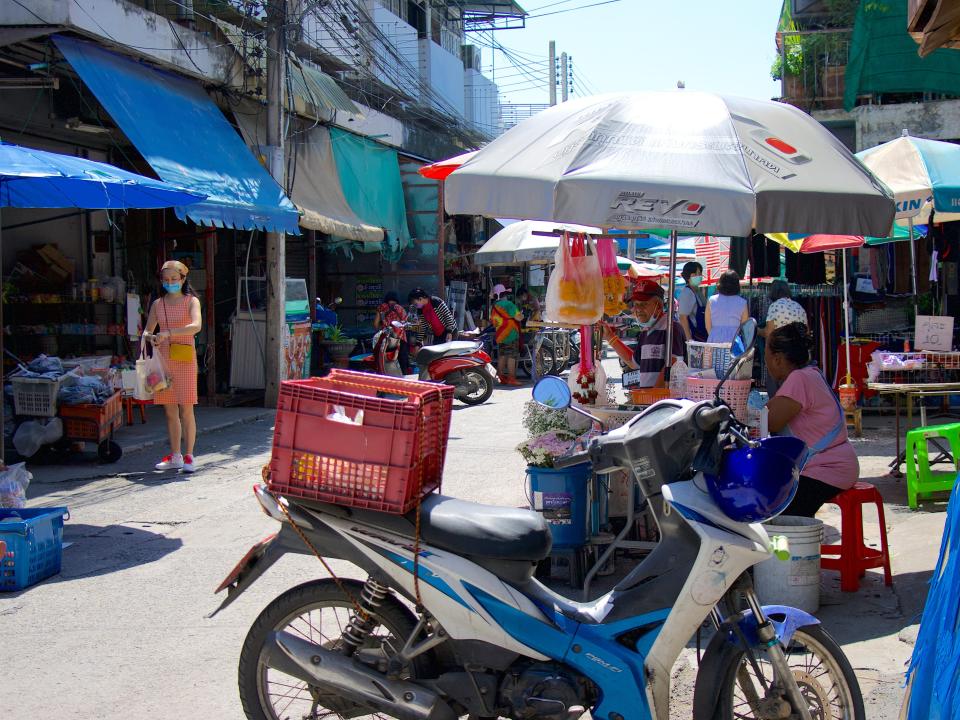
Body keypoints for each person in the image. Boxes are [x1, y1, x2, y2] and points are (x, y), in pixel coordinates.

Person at [765, 322, 859, 517]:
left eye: (766, 355)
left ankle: (797, 547)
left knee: (777, 512)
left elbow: (770, 421)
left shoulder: (799, 379)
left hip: (827, 469)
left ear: (778, 359)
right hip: (836, 465)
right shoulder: (811, 374)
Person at [144, 260, 203, 473]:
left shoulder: (191, 301)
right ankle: (176, 455)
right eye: (166, 280)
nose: (170, 283)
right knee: (170, 410)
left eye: (174, 279)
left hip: (185, 359)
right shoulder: (157, 304)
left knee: (186, 409)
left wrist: (169, 332)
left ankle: (189, 456)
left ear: (183, 279)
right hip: (163, 361)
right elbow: (147, 331)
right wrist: (152, 338)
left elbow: (196, 326)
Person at [604, 279, 685, 387]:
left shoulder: (672, 328)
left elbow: (673, 364)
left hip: (663, 401)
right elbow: (633, 362)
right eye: (636, 304)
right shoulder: (646, 332)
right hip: (649, 400)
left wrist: (653, 396)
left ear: (658, 306)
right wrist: (610, 337)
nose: (638, 309)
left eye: (643, 304)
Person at [758, 279, 808, 395]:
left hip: (780, 355)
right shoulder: (799, 307)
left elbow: (769, 333)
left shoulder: (774, 307)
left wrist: (757, 331)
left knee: (777, 392)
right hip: (798, 356)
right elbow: (806, 332)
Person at [490, 284, 523, 386]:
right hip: (511, 334)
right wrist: (522, 314)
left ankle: (500, 377)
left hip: (500, 335)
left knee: (502, 355)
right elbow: (519, 318)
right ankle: (511, 378)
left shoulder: (494, 307)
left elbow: (494, 323)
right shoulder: (508, 304)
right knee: (511, 356)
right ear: (503, 294)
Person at [706, 269, 749, 344]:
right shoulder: (742, 302)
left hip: (714, 339)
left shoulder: (711, 300)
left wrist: (715, 335)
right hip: (735, 340)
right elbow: (744, 327)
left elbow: (708, 325)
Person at [374, 291, 410, 374]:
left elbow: (375, 325)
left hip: (386, 339)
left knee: (385, 361)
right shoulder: (400, 308)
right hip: (400, 338)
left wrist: (383, 326)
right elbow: (406, 324)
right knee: (402, 361)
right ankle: (403, 380)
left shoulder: (381, 307)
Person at [677, 261, 707, 343]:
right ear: (689, 276)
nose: (699, 276)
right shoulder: (687, 293)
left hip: (701, 337)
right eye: (696, 274)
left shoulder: (697, 291)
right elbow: (683, 318)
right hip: (694, 338)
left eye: (700, 273)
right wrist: (689, 341)